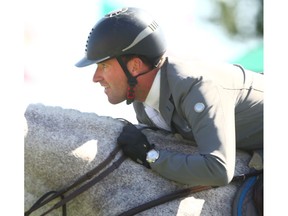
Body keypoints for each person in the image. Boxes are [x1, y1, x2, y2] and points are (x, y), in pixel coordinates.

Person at [75, 7, 263, 187]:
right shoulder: (143, 104)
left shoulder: (195, 86)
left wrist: (150, 156)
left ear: (134, 66)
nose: (95, 78)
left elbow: (218, 170)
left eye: (104, 66)